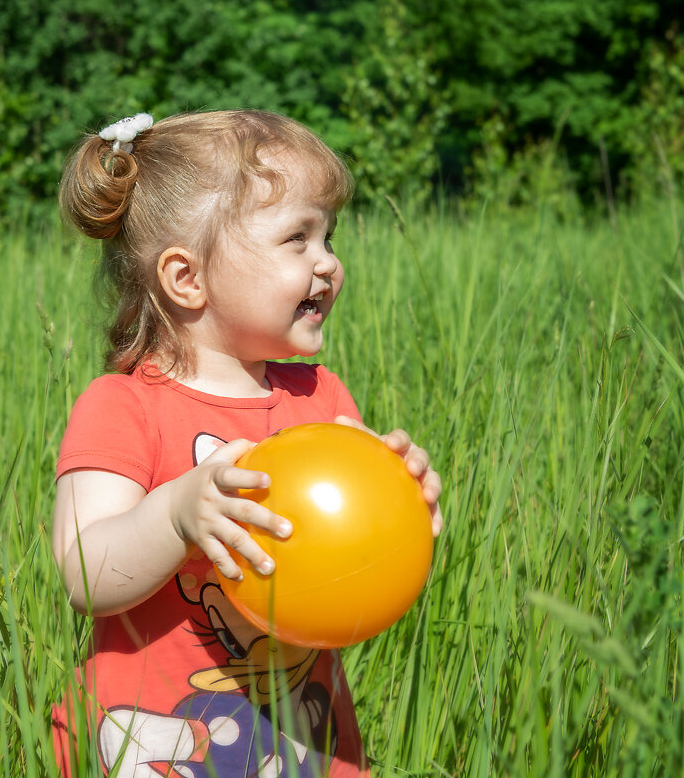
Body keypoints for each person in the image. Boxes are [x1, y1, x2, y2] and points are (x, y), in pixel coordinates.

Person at [50, 109, 443, 778]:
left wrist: (408, 506)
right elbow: (84, 569)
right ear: (187, 278)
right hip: (159, 746)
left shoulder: (322, 398)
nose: (329, 263)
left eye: (329, 236)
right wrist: (177, 514)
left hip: (301, 743)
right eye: (298, 238)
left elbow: (354, 561)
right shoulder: (122, 406)